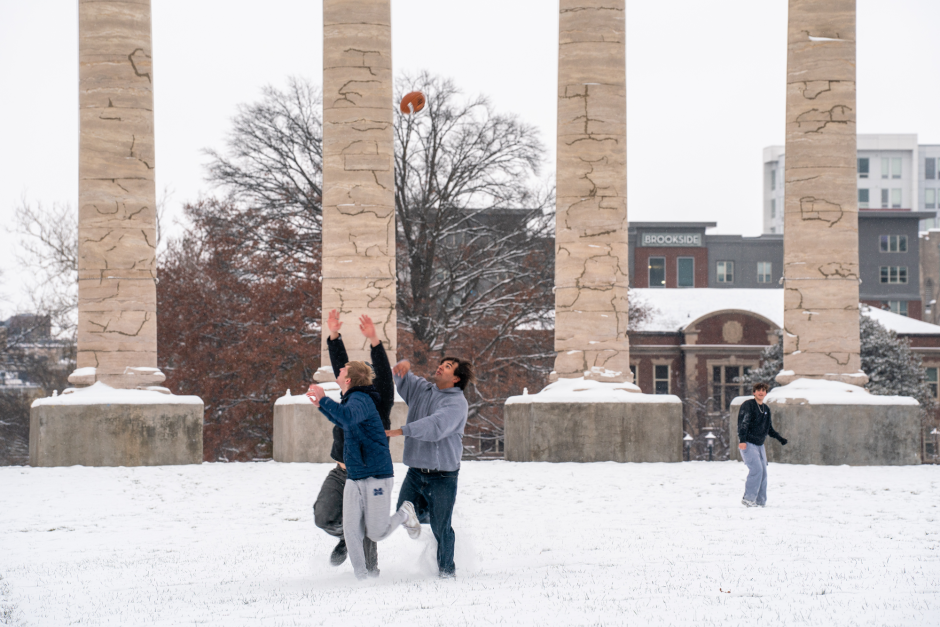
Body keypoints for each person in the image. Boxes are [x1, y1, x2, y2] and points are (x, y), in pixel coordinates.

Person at [307, 361, 421, 580]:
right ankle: (362, 576)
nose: (338, 369)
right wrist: (321, 405)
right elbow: (343, 419)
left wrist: (323, 399)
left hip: (374, 474)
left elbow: (348, 418)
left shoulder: (362, 399)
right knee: (347, 528)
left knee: (374, 530)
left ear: (349, 379)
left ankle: (404, 515)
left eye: (341, 369)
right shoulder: (350, 399)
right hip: (352, 473)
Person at [311, 310, 395, 572]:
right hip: (342, 471)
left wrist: (375, 341)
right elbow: (341, 367)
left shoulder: (376, 402)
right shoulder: (348, 398)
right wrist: (334, 335)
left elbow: (384, 374)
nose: (339, 374)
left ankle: (371, 576)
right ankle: (347, 538)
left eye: (343, 373)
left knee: (370, 531)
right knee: (323, 515)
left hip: (369, 475)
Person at [387, 357, 473, 579]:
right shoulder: (423, 390)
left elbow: (435, 426)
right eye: (441, 363)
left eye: (447, 367)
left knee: (441, 528)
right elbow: (405, 380)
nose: (440, 367)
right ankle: (425, 516)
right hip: (416, 472)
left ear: (456, 378)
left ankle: (446, 572)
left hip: (443, 475)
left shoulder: (457, 404)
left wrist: (402, 431)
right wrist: (402, 369)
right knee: (404, 512)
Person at [737, 382, 788, 508]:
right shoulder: (748, 405)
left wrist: (780, 438)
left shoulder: (766, 409)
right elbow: (743, 423)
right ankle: (748, 499)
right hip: (748, 443)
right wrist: (742, 440)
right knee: (756, 469)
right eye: (758, 390)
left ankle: (760, 501)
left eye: (763, 390)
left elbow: (768, 428)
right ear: (754, 392)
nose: (761, 392)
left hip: (760, 445)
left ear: (766, 393)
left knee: (764, 472)